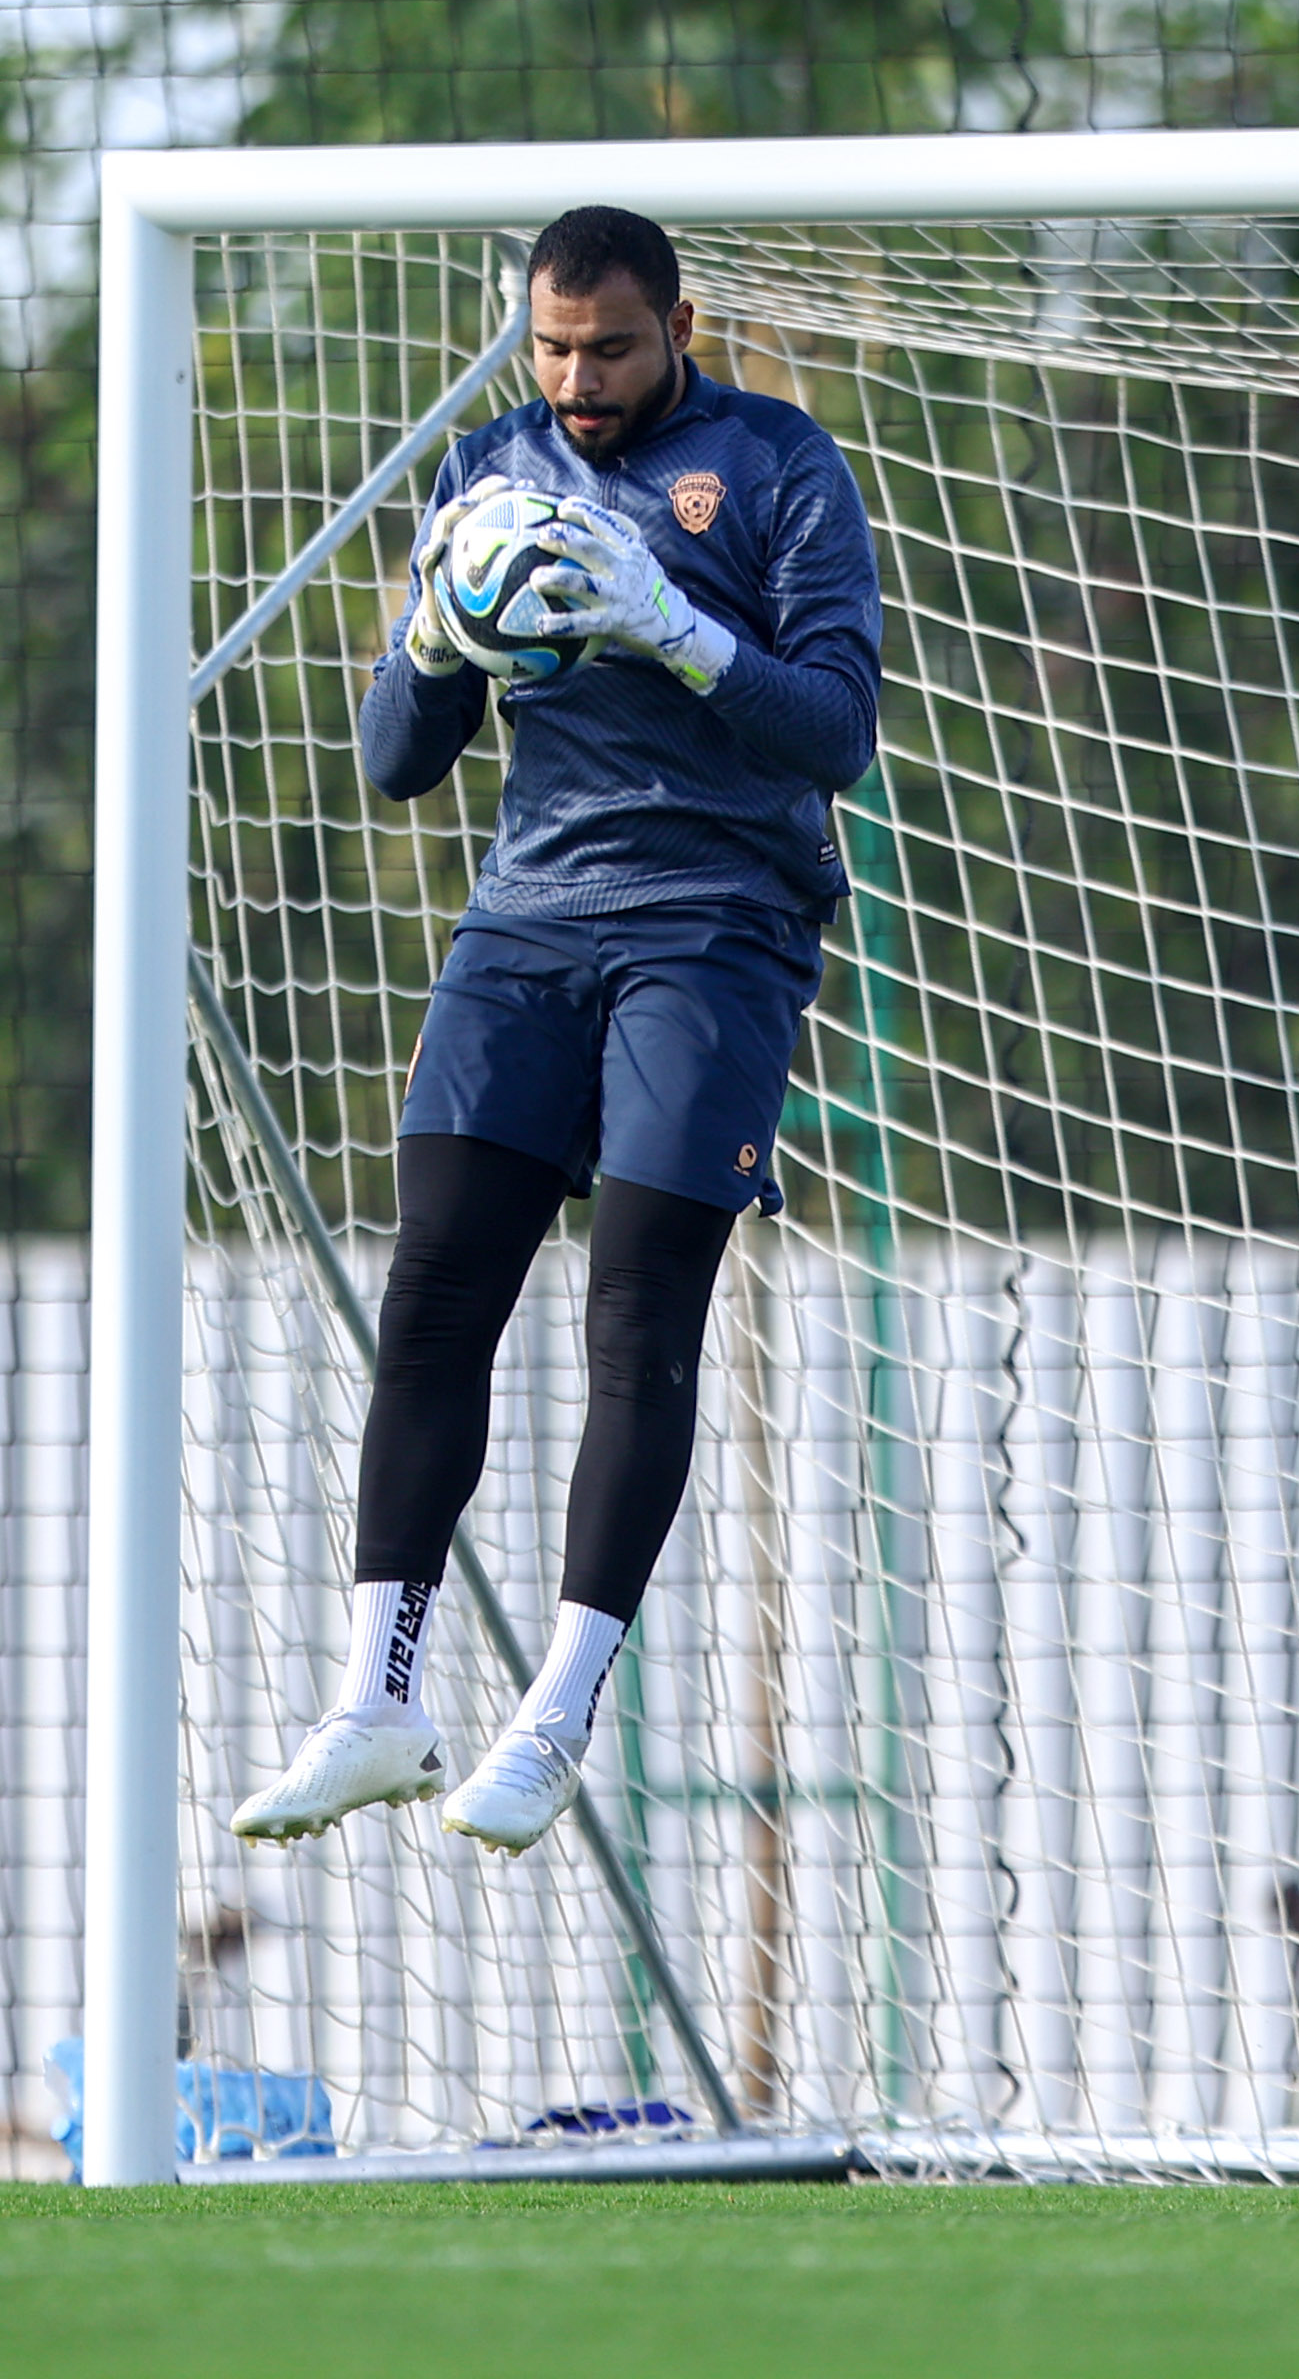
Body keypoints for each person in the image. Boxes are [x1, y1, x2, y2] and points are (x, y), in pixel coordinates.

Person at [231, 205, 880, 1858]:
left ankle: (557, 1709)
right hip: (526, 922)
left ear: (680, 321)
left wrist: (672, 622)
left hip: (716, 926)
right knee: (437, 1282)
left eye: (608, 347)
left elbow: (836, 729)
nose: (577, 380)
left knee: (634, 1309)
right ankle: (379, 1698)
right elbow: (395, 761)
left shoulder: (780, 467)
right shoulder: (490, 474)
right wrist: (434, 636)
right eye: (551, 347)